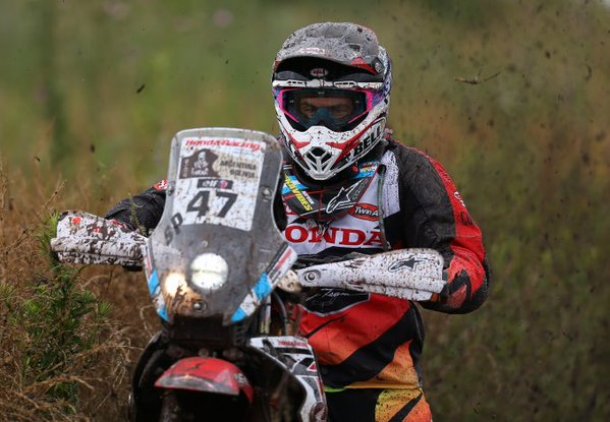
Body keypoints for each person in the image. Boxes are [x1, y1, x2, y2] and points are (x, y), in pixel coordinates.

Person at [107, 22, 490, 422]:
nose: (320, 126)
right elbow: (162, 198)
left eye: (338, 109)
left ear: (373, 103)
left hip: (371, 385)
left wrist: (435, 275)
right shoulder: (251, 166)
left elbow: (470, 267)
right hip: (262, 363)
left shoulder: (404, 174)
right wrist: (117, 227)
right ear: (284, 104)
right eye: (307, 108)